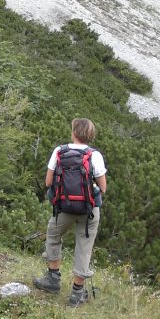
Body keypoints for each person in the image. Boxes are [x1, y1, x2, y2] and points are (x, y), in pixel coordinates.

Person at [33, 118, 107, 306]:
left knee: (53, 235)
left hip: (63, 207)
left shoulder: (59, 151)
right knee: (84, 247)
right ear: (90, 135)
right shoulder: (94, 155)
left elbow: (48, 183)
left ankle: (53, 279)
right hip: (88, 210)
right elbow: (103, 187)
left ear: (73, 132)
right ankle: (76, 294)